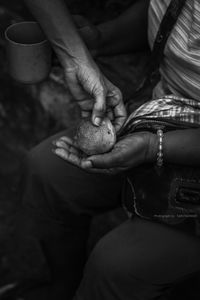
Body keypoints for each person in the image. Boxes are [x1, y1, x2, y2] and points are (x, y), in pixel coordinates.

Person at [17, 0, 200, 299]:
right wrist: (96, 42)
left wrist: (153, 146)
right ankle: (63, 287)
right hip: (159, 114)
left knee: (115, 264)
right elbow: (169, 11)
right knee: (45, 170)